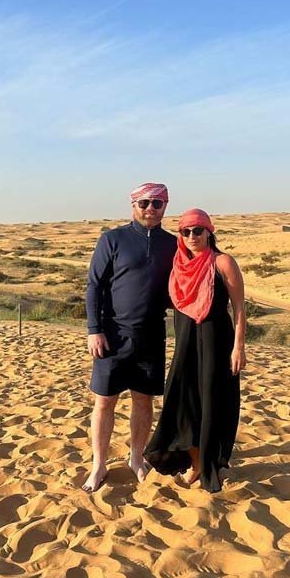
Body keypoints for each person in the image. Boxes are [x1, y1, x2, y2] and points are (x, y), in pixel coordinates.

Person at [83, 182, 177, 492]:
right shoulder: (112, 239)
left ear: (165, 206)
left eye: (157, 203)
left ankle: (136, 458)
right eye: (145, 203)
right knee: (104, 402)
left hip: (151, 334)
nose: (151, 208)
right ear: (133, 205)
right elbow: (94, 286)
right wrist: (94, 330)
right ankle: (98, 465)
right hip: (112, 334)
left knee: (143, 401)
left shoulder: (173, 244)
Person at [144, 208, 246, 492]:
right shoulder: (177, 263)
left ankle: (209, 464)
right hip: (185, 343)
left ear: (209, 232)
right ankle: (195, 459)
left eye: (198, 230)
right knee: (182, 400)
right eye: (186, 231)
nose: (192, 236)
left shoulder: (222, 262)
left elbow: (238, 308)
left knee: (212, 401)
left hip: (216, 342)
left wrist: (239, 347)